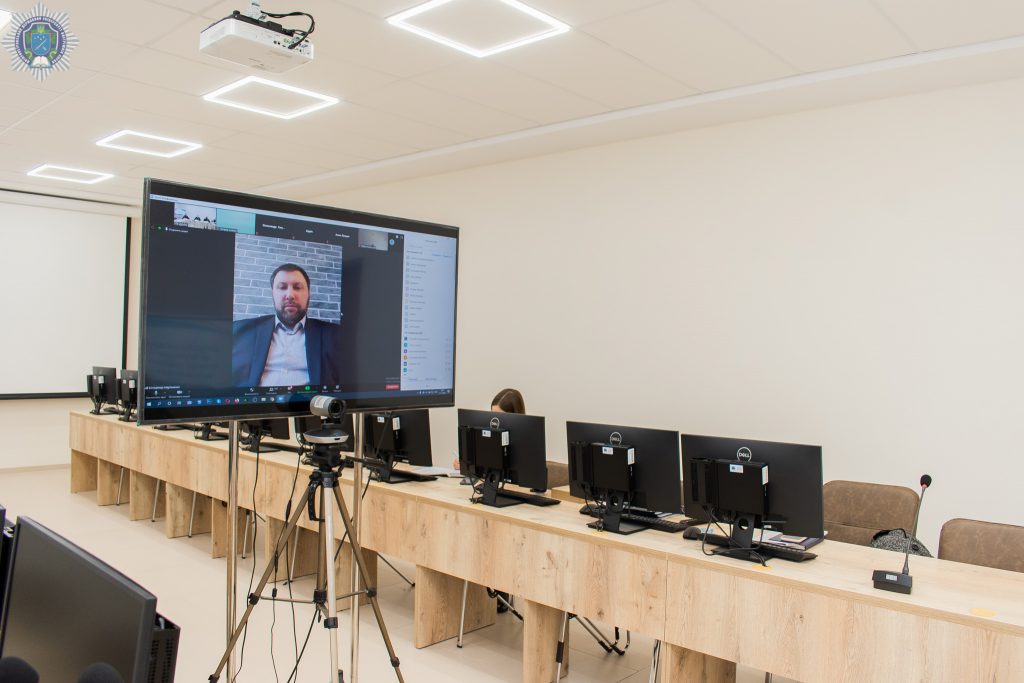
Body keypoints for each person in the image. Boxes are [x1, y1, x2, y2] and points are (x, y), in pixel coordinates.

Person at [232, 263, 343, 388]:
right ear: (273, 294)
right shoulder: (238, 331)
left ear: (309, 294)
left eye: (297, 287)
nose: (290, 295)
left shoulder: (337, 335)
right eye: (282, 287)